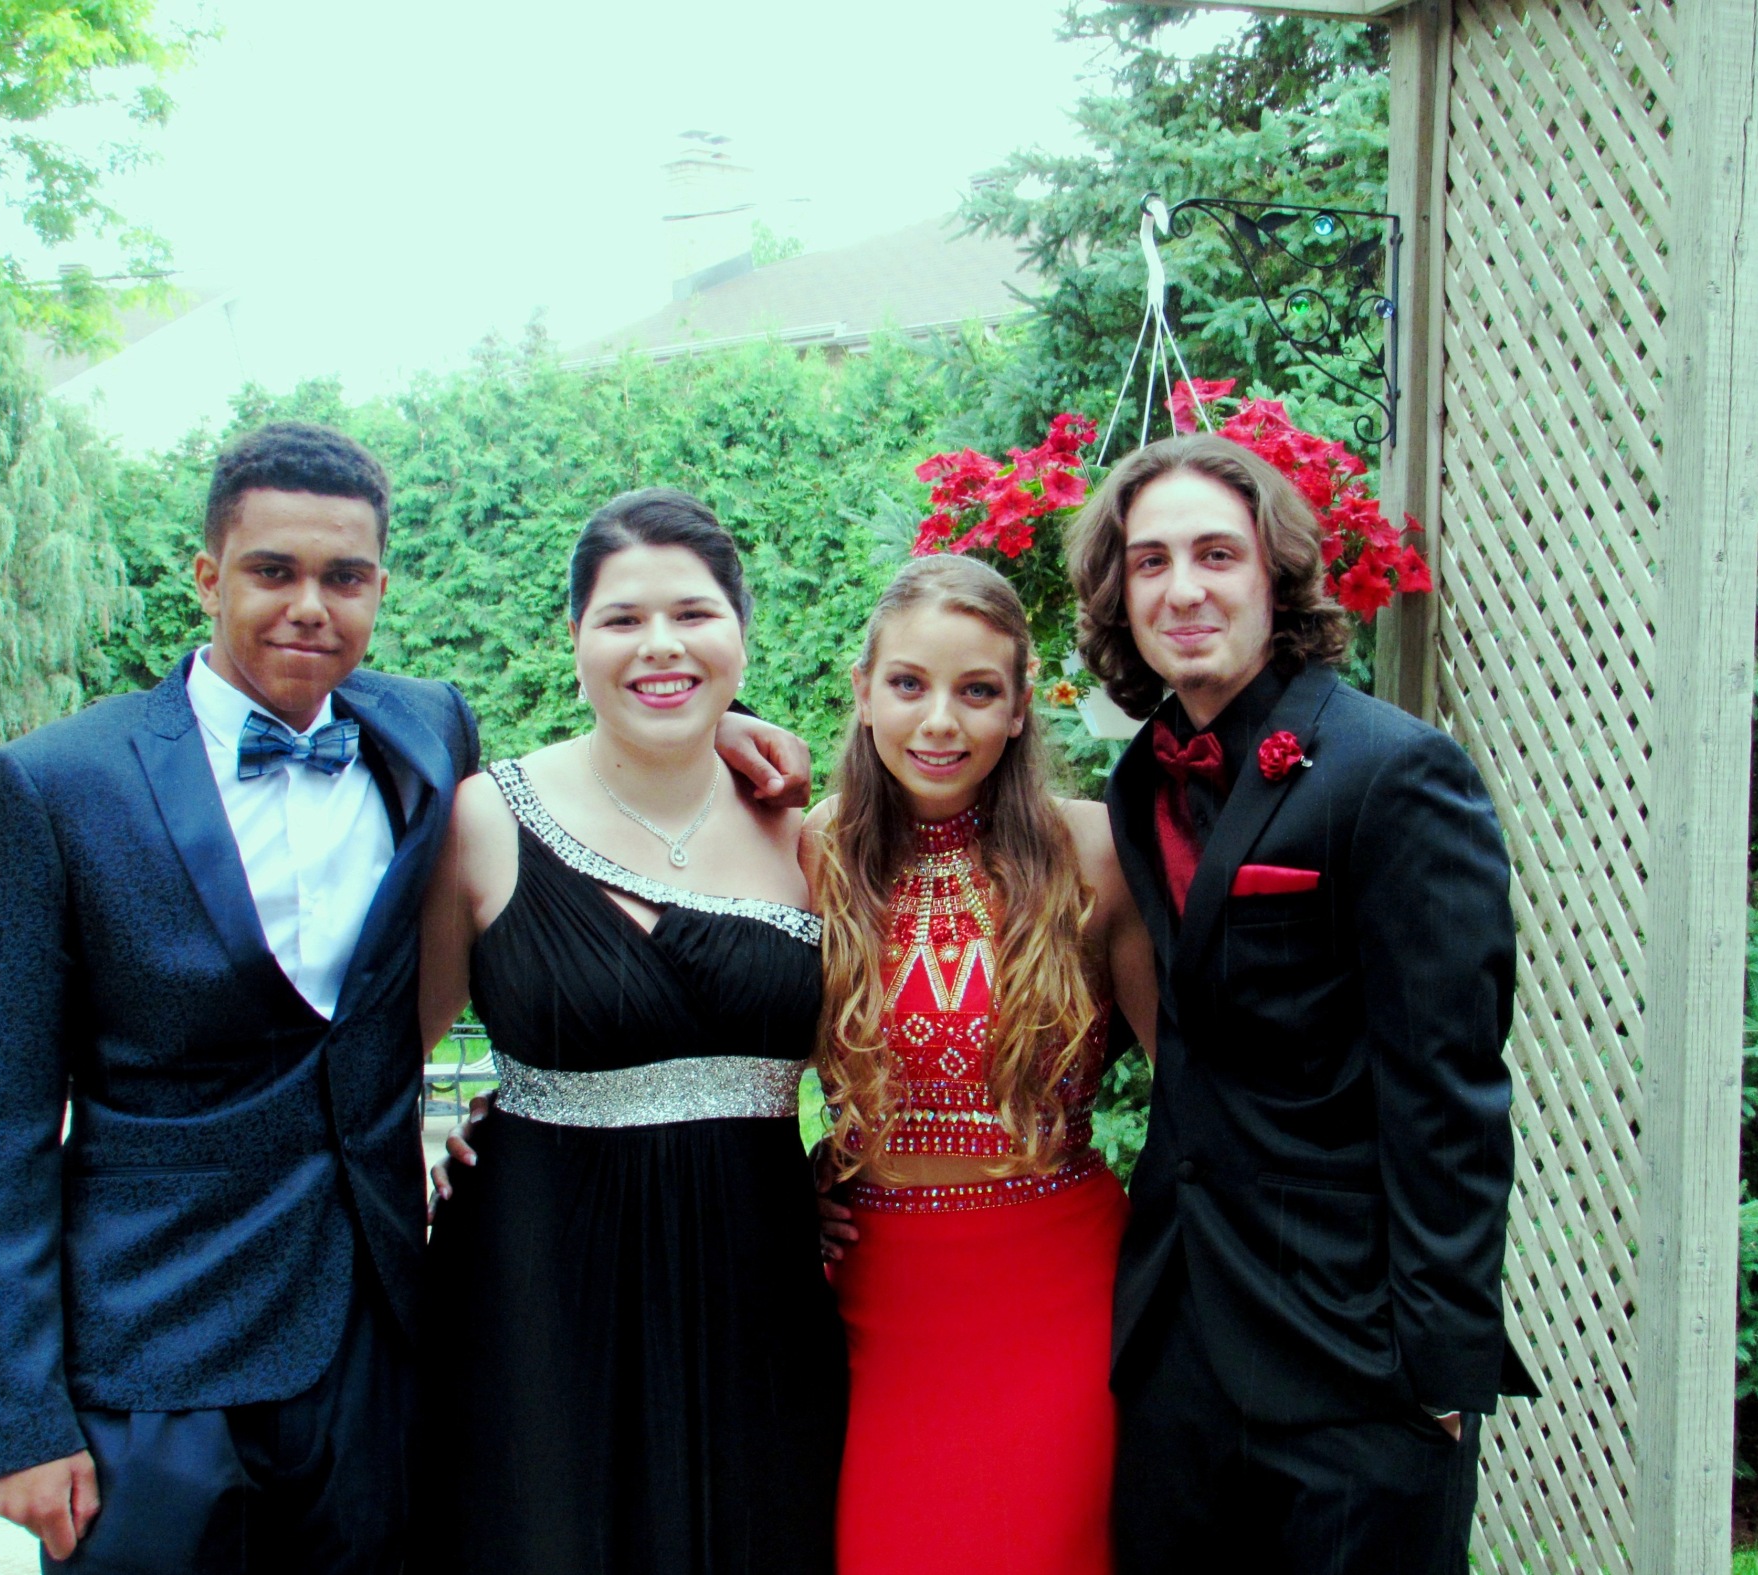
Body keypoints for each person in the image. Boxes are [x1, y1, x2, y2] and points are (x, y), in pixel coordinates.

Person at [0, 427, 805, 1573]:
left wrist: (710, 724)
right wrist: (15, 1421)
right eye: (272, 571)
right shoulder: (55, 787)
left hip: (372, 1346)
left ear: (380, 588)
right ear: (207, 576)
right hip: (152, 1364)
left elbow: (607, 771)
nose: (310, 606)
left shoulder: (427, 732)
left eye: (343, 577)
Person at [1063, 431, 1537, 1575]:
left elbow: (1449, 1095)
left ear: (1275, 576)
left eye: (1216, 555)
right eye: (1150, 561)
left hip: (1352, 1361)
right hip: (1178, 1342)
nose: (1183, 589)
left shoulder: (1395, 772)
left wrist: (1437, 1373)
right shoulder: (1138, 780)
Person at [411, 487, 846, 1575]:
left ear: (741, 632)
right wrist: (417, 1150)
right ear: (574, 638)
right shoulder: (483, 818)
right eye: (622, 618)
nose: (661, 644)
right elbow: (379, 1062)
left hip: (758, 1291)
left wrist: (860, 1173)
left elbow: (880, 1061)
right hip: (536, 1294)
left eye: (694, 614)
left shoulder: (814, 836)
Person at [803, 554, 1155, 1575]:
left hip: (1063, 1291)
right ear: (863, 690)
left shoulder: (1095, 850)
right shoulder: (809, 849)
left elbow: (1197, 1078)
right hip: (874, 1296)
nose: (940, 721)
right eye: (909, 683)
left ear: (1020, 705)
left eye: (977, 691)